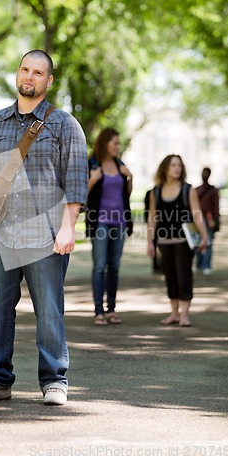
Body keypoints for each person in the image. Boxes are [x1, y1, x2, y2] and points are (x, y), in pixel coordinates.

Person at [0, 50, 88, 405]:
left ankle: (54, 381)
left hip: (44, 235)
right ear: (18, 73)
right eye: (25, 69)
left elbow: (75, 181)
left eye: (38, 72)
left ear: (49, 81)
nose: (30, 77)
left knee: (48, 312)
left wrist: (67, 227)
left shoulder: (64, 125)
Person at [147, 154, 208, 327]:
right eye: (173, 165)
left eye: (179, 165)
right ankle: (174, 313)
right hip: (164, 241)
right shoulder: (156, 191)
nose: (177, 168)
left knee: (184, 275)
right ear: (165, 168)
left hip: (183, 241)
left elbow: (197, 214)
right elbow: (152, 218)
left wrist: (204, 237)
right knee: (170, 276)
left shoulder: (188, 189)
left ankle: (184, 315)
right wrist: (150, 241)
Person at [86, 128, 133, 326]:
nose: (117, 146)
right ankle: (99, 311)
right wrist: (93, 180)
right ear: (105, 143)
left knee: (114, 266)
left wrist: (130, 178)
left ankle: (111, 310)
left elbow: (126, 194)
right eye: (115, 143)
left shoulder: (120, 165)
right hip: (100, 222)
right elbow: (82, 194)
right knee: (99, 266)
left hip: (119, 221)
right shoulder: (93, 164)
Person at [195, 167, 220, 275]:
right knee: (197, 242)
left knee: (208, 242)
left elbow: (216, 206)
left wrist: (215, 219)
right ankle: (199, 263)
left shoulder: (213, 190)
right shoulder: (196, 190)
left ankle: (206, 265)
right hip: (198, 218)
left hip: (209, 219)